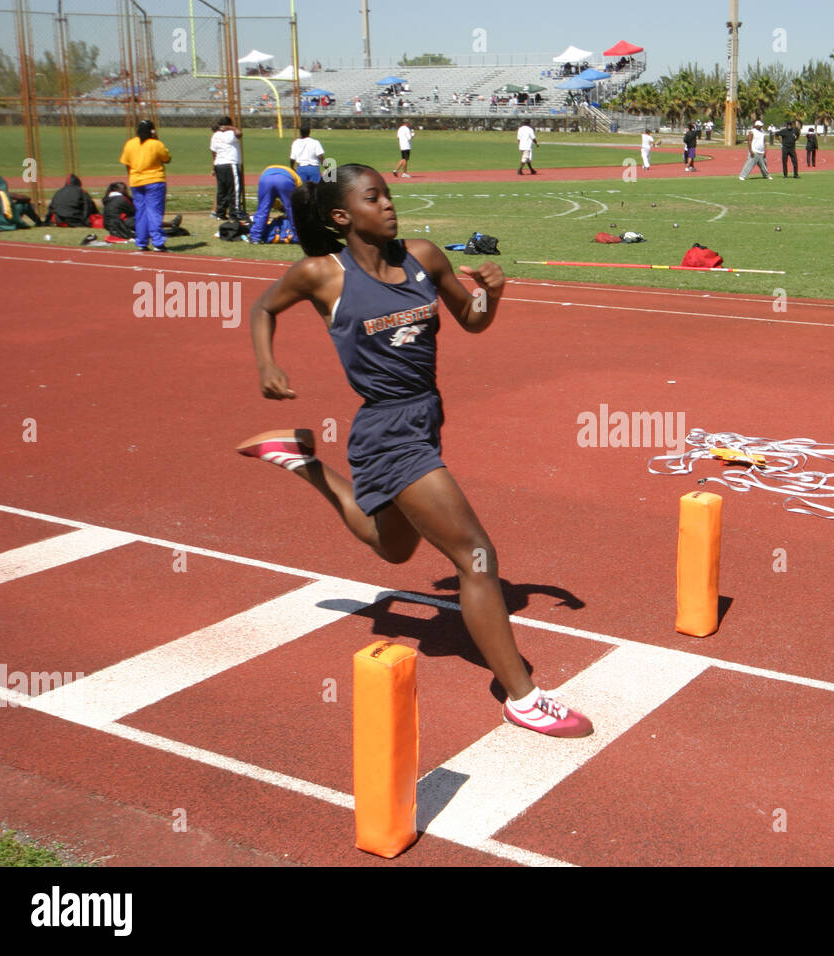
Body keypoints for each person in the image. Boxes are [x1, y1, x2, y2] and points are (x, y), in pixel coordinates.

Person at [237, 164, 594, 738]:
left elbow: (472, 322)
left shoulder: (424, 257)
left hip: (425, 416)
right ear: (341, 217)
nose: (388, 206)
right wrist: (267, 364)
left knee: (393, 551)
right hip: (386, 431)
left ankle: (305, 463)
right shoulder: (320, 274)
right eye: (372, 198)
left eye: (388, 195)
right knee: (477, 556)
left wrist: (491, 295)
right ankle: (521, 697)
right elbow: (262, 308)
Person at [118, 119, 172, 251]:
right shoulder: (155, 144)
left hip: (136, 181)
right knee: (154, 212)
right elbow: (167, 158)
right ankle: (158, 242)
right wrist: (156, 138)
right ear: (152, 131)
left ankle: (141, 242)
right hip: (154, 181)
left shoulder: (130, 144)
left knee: (141, 212)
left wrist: (132, 176)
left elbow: (126, 163)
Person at [248, 164, 302, 244]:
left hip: (265, 178)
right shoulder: (296, 177)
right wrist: (287, 208)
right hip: (285, 179)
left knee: (263, 209)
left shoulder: (268, 169)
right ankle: (298, 237)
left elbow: (269, 202)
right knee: (292, 210)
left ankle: (255, 237)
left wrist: (280, 207)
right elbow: (298, 199)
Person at [210, 116, 246, 223]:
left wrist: (213, 167)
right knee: (234, 189)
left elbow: (213, 152)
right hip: (230, 164)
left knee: (222, 190)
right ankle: (235, 213)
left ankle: (220, 213)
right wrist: (232, 128)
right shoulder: (231, 133)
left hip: (219, 164)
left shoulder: (215, 135)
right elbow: (239, 134)